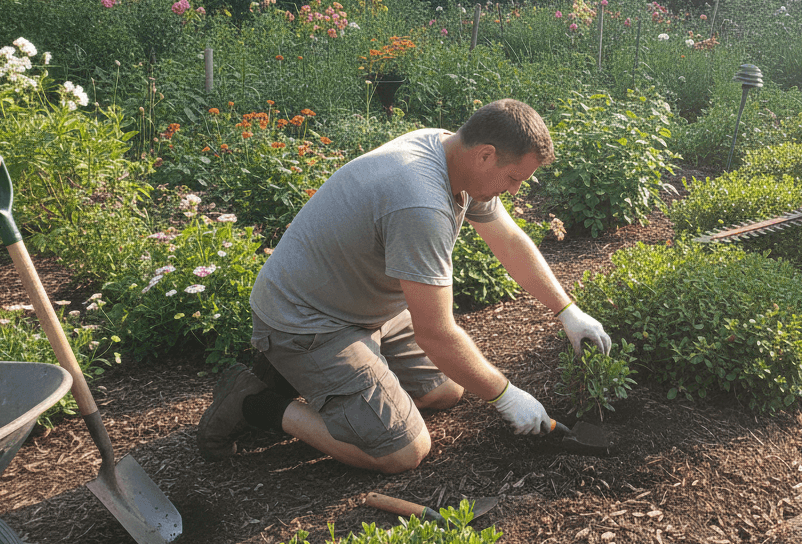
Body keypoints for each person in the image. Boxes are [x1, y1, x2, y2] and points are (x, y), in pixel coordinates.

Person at [196, 98, 612, 473]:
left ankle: (309, 376)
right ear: (486, 155)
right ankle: (255, 400)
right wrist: (506, 396)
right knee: (403, 450)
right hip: (305, 321)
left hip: (361, 307)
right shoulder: (421, 203)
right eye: (513, 178)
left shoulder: (450, 151)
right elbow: (436, 333)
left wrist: (567, 311)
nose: (515, 190)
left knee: (446, 390)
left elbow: (508, 240)